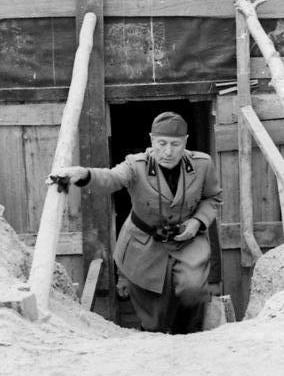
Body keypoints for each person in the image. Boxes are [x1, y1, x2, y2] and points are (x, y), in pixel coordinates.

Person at [50, 112, 222, 334]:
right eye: (162, 143)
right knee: (154, 315)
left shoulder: (202, 165)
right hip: (144, 245)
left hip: (187, 240)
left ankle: (187, 335)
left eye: (175, 144)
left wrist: (197, 222)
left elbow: (213, 197)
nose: (168, 151)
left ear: (185, 142)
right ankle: (152, 334)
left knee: (192, 289)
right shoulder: (135, 165)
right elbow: (111, 178)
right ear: (152, 140)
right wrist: (82, 174)